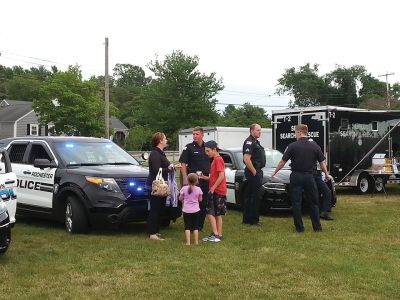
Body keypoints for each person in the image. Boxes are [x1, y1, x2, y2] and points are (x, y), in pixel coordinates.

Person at [271, 124, 331, 233]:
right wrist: (326, 174)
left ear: (299, 132)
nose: (295, 135)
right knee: (313, 202)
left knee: (296, 202)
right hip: (309, 176)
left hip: (296, 176)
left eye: (295, 132)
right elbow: (322, 163)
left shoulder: (292, 146)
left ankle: (299, 228)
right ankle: (317, 227)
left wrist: (275, 172)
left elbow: (282, 162)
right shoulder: (314, 146)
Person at [179, 126, 211, 231]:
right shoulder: (189, 147)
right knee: (191, 202)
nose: (195, 136)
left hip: (205, 179)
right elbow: (183, 163)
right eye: (193, 134)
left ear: (202, 135)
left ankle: (199, 226)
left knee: (203, 203)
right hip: (193, 180)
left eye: (197, 134)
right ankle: (190, 226)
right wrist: (184, 178)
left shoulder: (207, 147)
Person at [146, 132, 174, 240]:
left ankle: (156, 230)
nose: (166, 140)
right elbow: (156, 169)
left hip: (162, 185)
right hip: (155, 185)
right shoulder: (155, 154)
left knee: (160, 209)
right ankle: (152, 233)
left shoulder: (161, 153)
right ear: (160, 140)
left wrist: (172, 166)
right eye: (165, 138)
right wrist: (170, 168)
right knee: (154, 209)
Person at [201, 140, 227, 242]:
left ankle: (215, 234)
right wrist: (204, 177)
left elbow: (221, 176)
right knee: (217, 213)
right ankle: (218, 234)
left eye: (208, 151)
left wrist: (212, 188)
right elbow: (214, 177)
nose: (206, 153)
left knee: (210, 212)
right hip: (218, 190)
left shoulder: (218, 160)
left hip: (217, 191)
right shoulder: (215, 160)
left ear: (214, 149)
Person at [242, 123, 266, 226]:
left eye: (260, 130)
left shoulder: (255, 142)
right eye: (258, 130)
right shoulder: (250, 142)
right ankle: (254, 220)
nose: (260, 132)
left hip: (256, 170)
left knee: (250, 195)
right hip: (253, 171)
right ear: (252, 131)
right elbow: (246, 159)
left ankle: (247, 219)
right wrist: (254, 172)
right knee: (255, 196)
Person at [179, 173, 203, 245]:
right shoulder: (198, 189)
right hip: (196, 210)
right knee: (195, 227)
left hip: (186, 210)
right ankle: (196, 242)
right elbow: (200, 200)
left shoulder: (183, 188)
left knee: (187, 227)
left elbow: (180, 198)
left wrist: (182, 197)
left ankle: (188, 242)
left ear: (188, 180)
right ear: (196, 181)